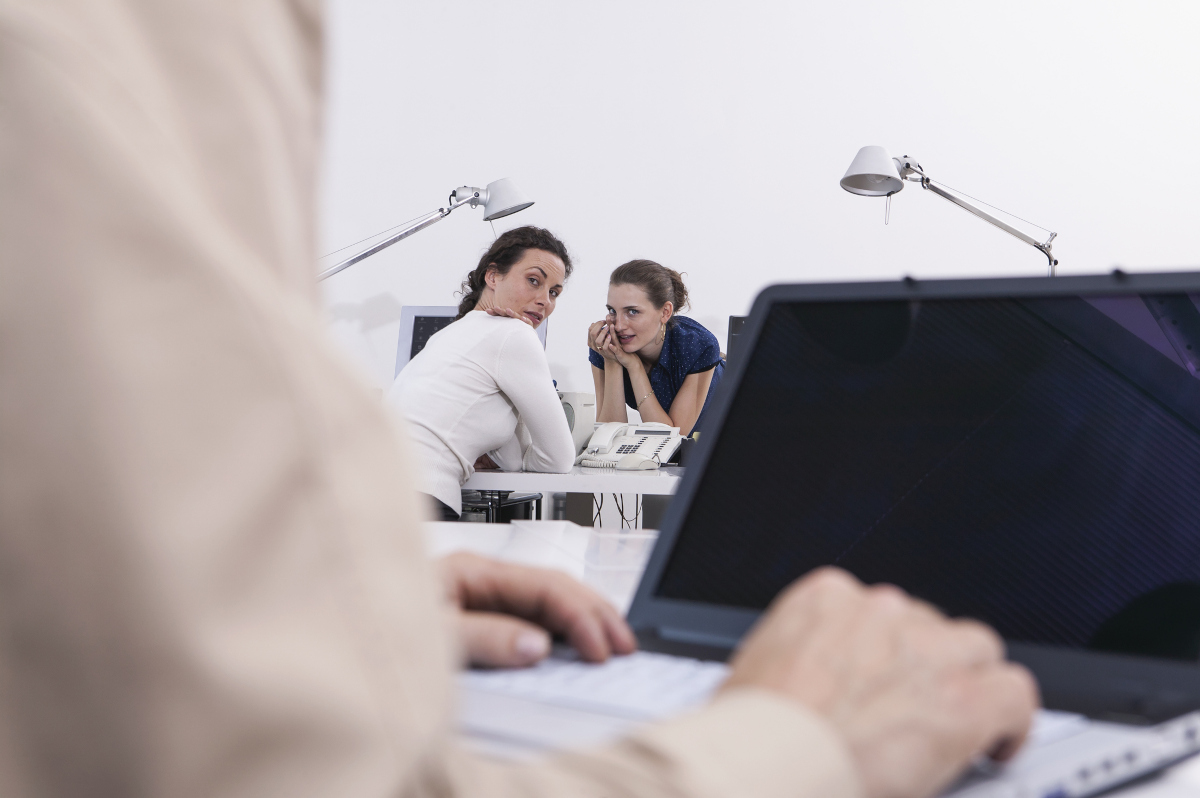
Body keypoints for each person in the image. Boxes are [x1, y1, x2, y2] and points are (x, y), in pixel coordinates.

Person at [0, 2, 1038, 798]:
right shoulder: (507, 340)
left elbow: (661, 435)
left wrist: (376, 598)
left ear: (666, 312)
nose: (564, 305)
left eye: (577, 294)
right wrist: (790, 745)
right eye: (546, 285)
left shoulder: (679, 347)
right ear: (492, 279)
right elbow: (563, 456)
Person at [388, 226, 576, 520]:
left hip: (367, 487)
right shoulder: (515, 335)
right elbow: (559, 459)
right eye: (533, 281)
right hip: (417, 498)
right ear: (493, 276)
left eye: (553, 292)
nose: (545, 300)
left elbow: (510, 460)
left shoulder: (448, 335)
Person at [589, 260, 724, 436]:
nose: (619, 325)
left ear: (665, 312)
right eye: (613, 311)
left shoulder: (696, 345)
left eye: (632, 311)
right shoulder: (606, 343)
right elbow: (608, 436)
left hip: (735, 419)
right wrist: (612, 362)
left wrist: (635, 367)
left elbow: (673, 438)